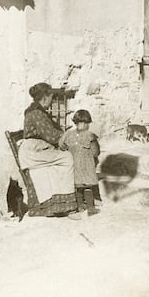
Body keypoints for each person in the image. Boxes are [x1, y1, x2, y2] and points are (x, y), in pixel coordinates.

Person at [18, 83, 80, 219]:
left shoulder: (38, 111)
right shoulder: (36, 113)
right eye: (51, 98)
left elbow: (52, 133)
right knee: (67, 158)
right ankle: (67, 204)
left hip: (38, 149)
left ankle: (61, 202)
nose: (52, 101)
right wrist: (69, 138)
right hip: (33, 152)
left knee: (63, 157)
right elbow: (51, 135)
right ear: (45, 98)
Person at [59, 110, 102, 216]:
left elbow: (61, 145)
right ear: (85, 123)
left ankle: (79, 206)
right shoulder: (90, 135)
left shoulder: (68, 134)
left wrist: (69, 150)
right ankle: (91, 208)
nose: (87, 126)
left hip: (74, 166)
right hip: (87, 166)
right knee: (88, 186)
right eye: (87, 123)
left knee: (77, 185)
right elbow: (96, 152)